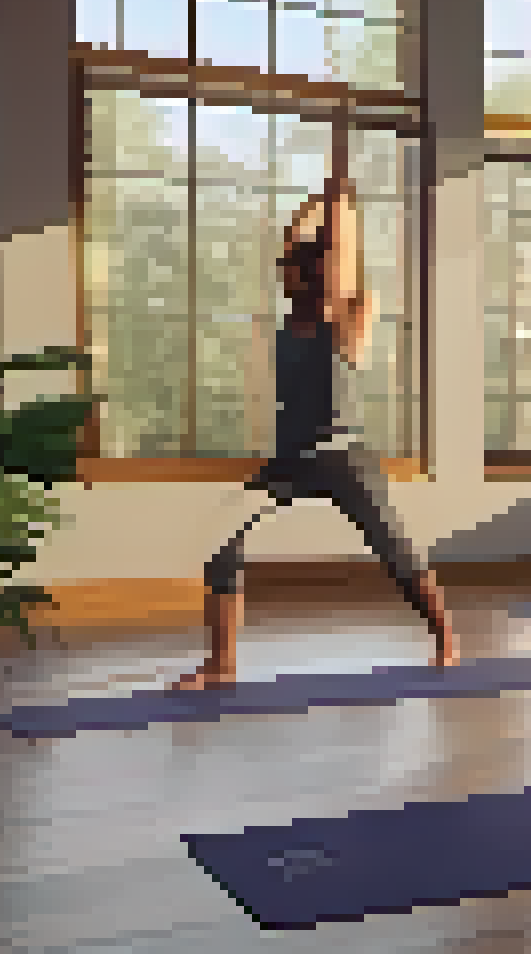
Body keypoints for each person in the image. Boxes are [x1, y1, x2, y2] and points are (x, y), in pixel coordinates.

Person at [173, 175, 459, 690]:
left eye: (310, 270)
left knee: (394, 552)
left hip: (342, 458)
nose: (297, 278)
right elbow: (289, 248)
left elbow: (344, 255)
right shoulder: (289, 324)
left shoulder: (349, 321)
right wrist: (311, 206)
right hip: (289, 460)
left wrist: (338, 203)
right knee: (225, 542)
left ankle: (446, 640)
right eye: (295, 272)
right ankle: (222, 663)